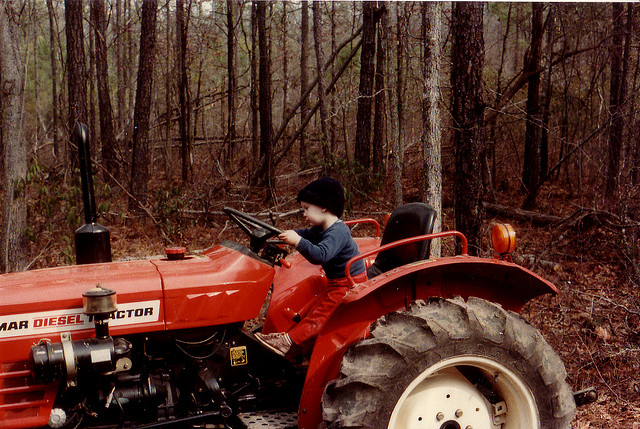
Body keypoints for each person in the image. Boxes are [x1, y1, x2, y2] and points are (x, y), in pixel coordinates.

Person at [254, 177, 367, 358]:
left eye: (306, 209)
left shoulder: (338, 231)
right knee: (310, 308)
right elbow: (303, 234)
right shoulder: (320, 229)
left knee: (321, 316)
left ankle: (287, 342)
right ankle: (300, 348)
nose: (304, 214)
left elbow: (320, 255)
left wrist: (297, 241)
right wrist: (281, 236)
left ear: (324, 206)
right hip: (335, 281)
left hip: (348, 284)